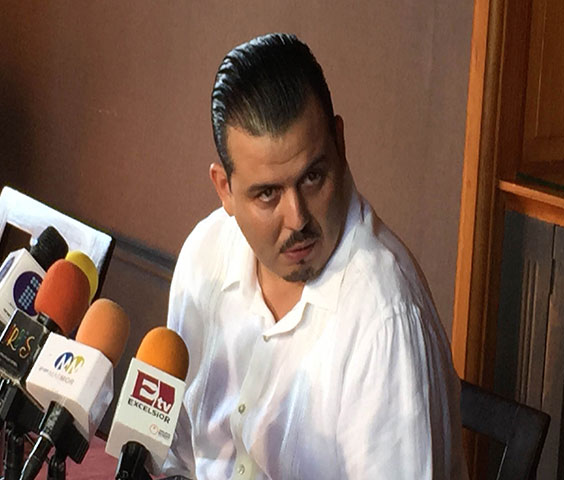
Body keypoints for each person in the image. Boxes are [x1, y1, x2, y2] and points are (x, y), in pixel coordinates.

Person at [164, 32, 466, 479]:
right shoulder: (204, 255)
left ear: (340, 144)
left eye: (312, 178)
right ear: (224, 189)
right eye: (267, 195)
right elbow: (177, 454)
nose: (297, 218)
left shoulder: (384, 320)